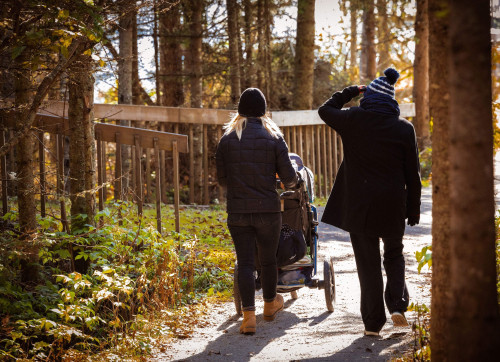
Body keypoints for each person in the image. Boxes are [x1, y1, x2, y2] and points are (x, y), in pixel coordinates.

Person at [318, 68, 421, 337]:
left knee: (368, 263)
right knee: (394, 255)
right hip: (393, 204)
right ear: (392, 102)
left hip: (360, 206)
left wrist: (350, 92)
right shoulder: (403, 128)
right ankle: (397, 305)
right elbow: (413, 173)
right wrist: (414, 207)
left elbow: (325, 110)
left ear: (369, 98)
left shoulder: (353, 119)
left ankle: (372, 325)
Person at [216, 88, 298, 335]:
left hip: (238, 211)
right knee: (268, 260)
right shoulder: (273, 138)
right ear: (263, 111)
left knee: (245, 262)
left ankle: (248, 317)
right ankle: (270, 305)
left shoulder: (227, 139)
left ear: (239, 110)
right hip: (268, 211)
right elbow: (289, 178)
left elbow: (222, 179)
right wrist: (287, 183)